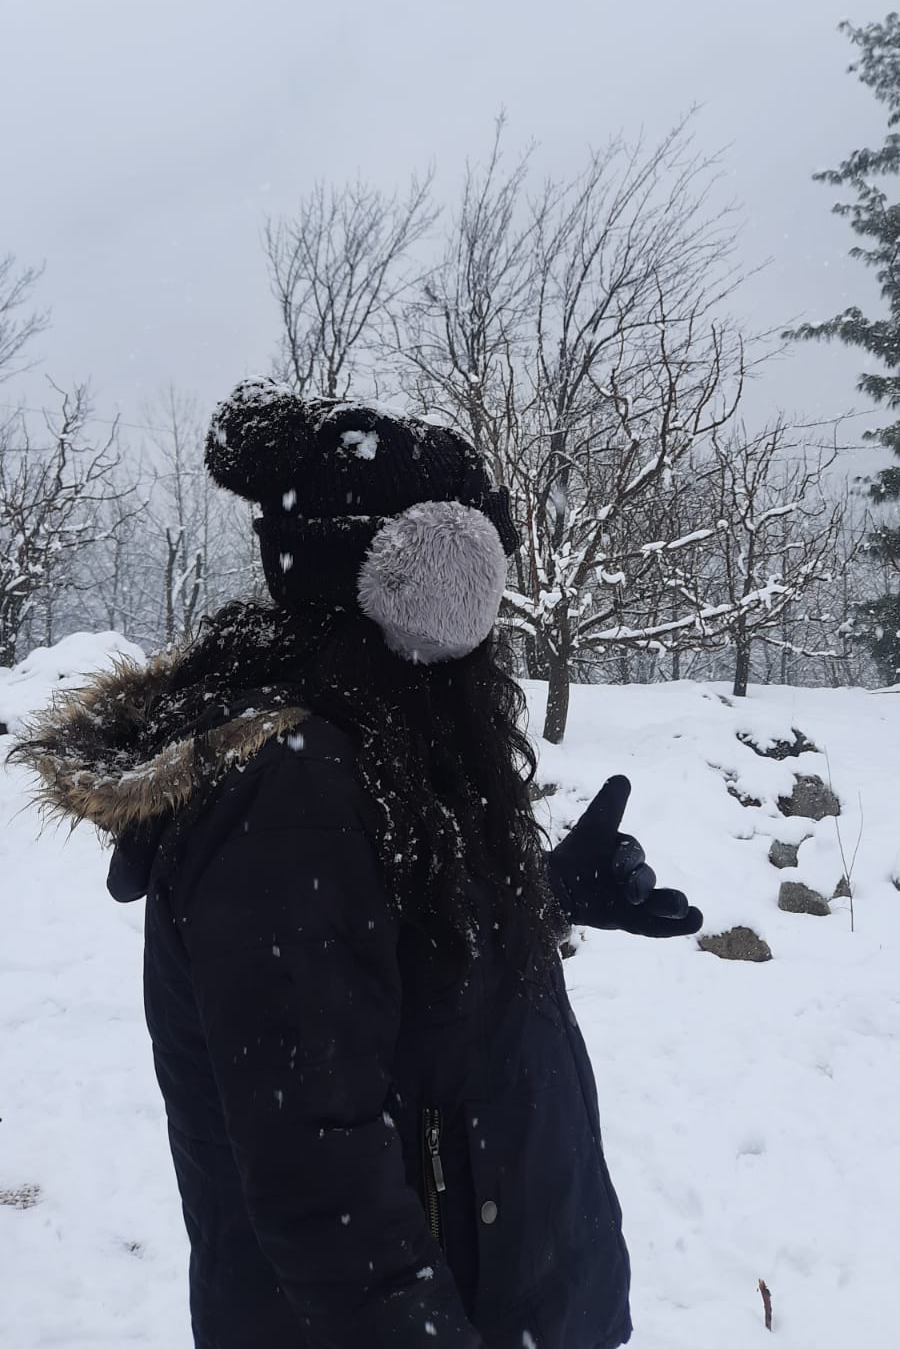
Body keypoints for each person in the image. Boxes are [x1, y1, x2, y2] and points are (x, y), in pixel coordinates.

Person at [17, 381, 702, 1349]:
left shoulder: (382, 741)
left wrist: (542, 894)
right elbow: (315, 1163)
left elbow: (387, 964)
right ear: (422, 577)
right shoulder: (288, 794)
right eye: (478, 559)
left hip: (499, 1280)